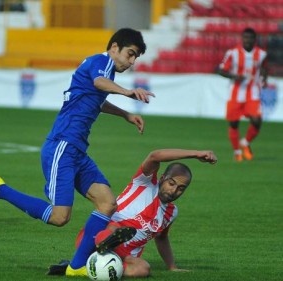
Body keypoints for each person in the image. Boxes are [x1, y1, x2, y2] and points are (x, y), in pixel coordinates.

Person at [0, 28, 154, 275]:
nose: (131, 62)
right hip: (63, 146)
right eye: (130, 54)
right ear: (114, 48)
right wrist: (127, 92)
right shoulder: (99, 62)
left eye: (135, 58)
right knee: (59, 217)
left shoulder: (105, 69)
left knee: (107, 203)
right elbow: (99, 83)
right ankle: (1, 190)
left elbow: (97, 99)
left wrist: (126, 115)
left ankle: (76, 266)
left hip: (77, 151)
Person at [48, 148, 218, 278]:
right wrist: (195, 154)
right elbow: (155, 156)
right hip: (94, 237)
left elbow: (162, 238)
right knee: (114, 227)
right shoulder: (143, 183)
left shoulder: (171, 213)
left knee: (143, 269)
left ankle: (91, 266)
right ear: (162, 178)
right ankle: (104, 245)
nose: (174, 191)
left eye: (181, 188)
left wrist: (172, 266)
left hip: (124, 257)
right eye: (171, 183)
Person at [217, 27, 267, 162]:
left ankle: (245, 143)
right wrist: (233, 76)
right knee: (234, 123)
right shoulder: (232, 53)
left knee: (257, 120)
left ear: (254, 40)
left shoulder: (261, 54)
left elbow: (264, 68)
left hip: (253, 92)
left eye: (250, 38)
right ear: (242, 38)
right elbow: (220, 70)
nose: (247, 40)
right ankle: (237, 151)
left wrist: (264, 79)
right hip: (235, 92)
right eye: (245, 37)